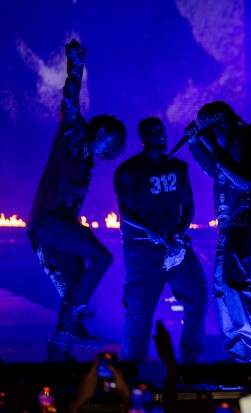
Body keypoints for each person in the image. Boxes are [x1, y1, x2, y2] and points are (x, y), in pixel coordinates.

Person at [27, 39, 127, 362]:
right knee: (102, 258)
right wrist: (76, 66)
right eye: (110, 145)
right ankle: (71, 320)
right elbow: (70, 100)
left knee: (75, 281)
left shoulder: (87, 161)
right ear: (100, 133)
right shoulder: (73, 133)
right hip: (50, 222)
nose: (109, 153)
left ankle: (57, 356)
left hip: (59, 226)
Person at [185, 101, 251, 362]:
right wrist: (195, 144)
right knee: (221, 287)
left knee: (234, 282)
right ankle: (238, 356)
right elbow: (216, 171)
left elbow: (245, 181)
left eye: (207, 129)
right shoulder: (225, 146)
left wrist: (213, 146)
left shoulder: (249, 137)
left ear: (221, 123)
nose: (206, 134)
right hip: (231, 225)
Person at [114, 117, 208, 364]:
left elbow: (188, 207)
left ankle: (191, 363)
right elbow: (124, 211)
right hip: (142, 249)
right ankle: (132, 371)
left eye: (163, 131)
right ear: (144, 137)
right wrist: (149, 230)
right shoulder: (128, 170)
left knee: (198, 296)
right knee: (139, 311)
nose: (162, 136)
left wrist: (178, 234)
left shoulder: (178, 167)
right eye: (155, 132)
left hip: (176, 246)